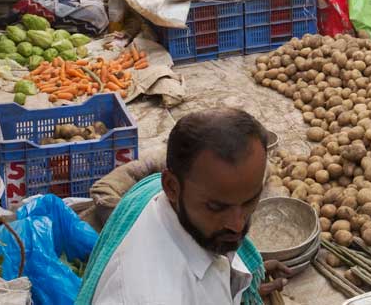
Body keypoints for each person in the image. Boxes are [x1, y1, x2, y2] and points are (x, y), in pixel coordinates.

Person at [75, 109, 292, 304]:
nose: (237, 225)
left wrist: (232, 282)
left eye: (250, 201)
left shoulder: (184, 214)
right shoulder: (147, 296)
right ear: (171, 187)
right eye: (217, 207)